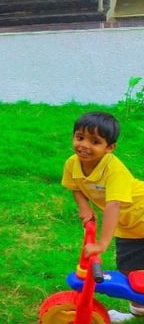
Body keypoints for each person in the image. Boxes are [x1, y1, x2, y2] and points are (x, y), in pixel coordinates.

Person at [61, 112, 144, 319]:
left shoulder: (114, 170)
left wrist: (102, 243)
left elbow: (113, 205)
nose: (84, 145)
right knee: (130, 271)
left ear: (110, 147)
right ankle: (138, 312)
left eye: (95, 141)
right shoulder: (72, 164)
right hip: (128, 227)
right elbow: (75, 187)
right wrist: (84, 207)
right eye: (80, 137)